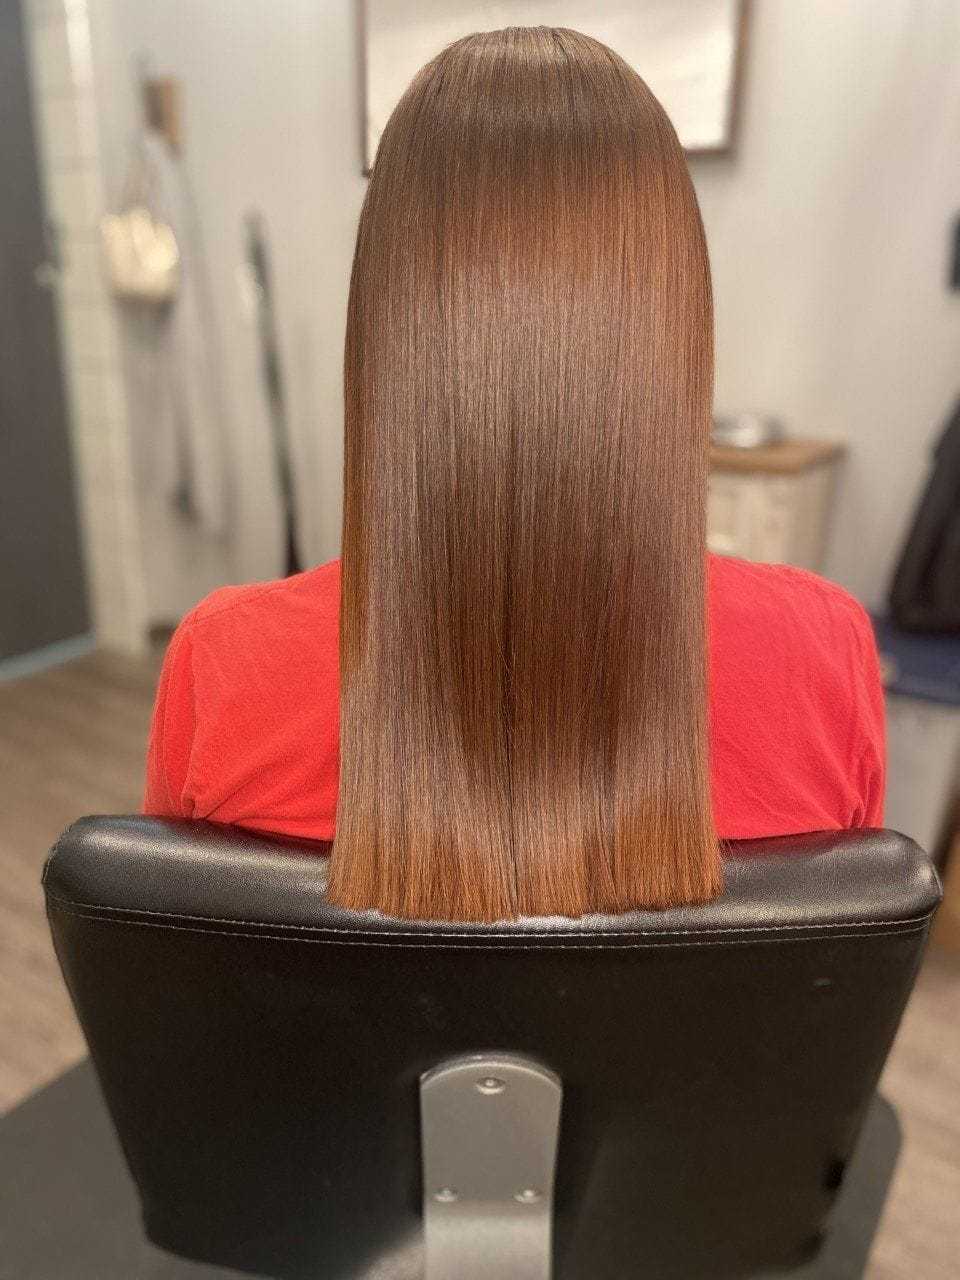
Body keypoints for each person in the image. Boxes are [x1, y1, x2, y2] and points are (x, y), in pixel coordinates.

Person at [144, 27, 884, 922]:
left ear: (387, 325)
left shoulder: (224, 666)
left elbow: (189, 978)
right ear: (672, 326)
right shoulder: (823, 654)